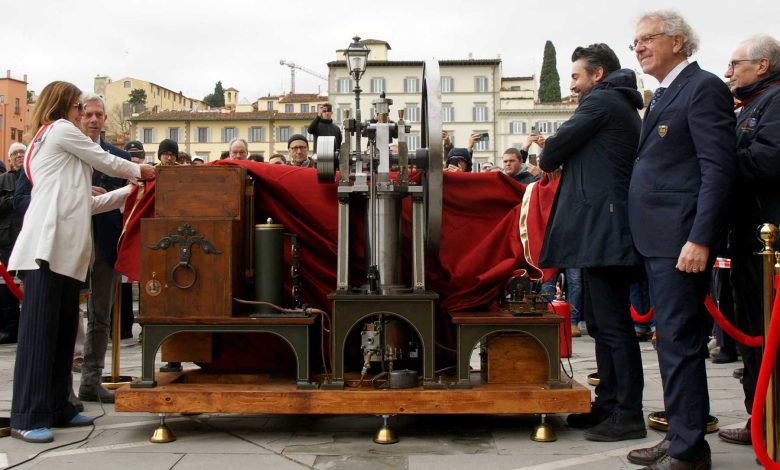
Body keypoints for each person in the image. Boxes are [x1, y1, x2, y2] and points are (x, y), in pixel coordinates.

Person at [7, 81, 155, 443]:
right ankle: (28, 414)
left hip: (65, 255)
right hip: (47, 249)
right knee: (41, 335)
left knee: (60, 335)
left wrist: (129, 192)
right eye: (78, 107)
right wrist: (141, 172)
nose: (81, 113)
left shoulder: (59, 146)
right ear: (64, 106)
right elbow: (104, 158)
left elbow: (86, 204)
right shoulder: (59, 130)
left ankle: (58, 406)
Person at [626, 11, 736, 469]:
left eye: (647, 39)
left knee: (681, 343)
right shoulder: (665, 93)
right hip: (657, 240)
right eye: (635, 42)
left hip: (681, 241)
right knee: (670, 342)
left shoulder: (703, 86)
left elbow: (718, 169)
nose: (638, 48)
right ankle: (679, 435)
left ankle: (690, 450)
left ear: (677, 41)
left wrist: (700, 238)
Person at [538, 43, 646, 442]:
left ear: (597, 75)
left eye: (576, 77)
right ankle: (608, 403)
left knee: (613, 326)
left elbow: (551, 152)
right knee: (602, 323)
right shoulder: (615, 102)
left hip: (605, 229)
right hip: (605, 227)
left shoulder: (601, 102)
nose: (571, 85)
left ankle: (628, 412)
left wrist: (558, 153)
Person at [719, 34, 780, 447]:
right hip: (745, 239)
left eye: (736, 63)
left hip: (766, 242)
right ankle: (758, 418)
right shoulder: (750, 104)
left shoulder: (774, 101)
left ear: (760, 65)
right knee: (750, 334)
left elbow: (768, 158)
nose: (729, 72)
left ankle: (770, 424)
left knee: (766, 333)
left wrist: (716, 155)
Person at [78, 94, 133, 404]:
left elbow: (130, 197)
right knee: (64, 313)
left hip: (105, 242)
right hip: (68, 240)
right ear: (79, 117)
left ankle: (90, 381)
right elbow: (24, 199)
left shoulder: (117, 156)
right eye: (89, 114)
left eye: (99, 114)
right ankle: (59, 384)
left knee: (100, 315)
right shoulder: (63, 152)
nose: (94, 119)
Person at [0, 143, 26, 344]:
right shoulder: (3, 180)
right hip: (7, 240)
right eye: (15, 153)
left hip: (27, 238)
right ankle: (11, 328)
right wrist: (14, 200)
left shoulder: (33, 177)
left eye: (21, 152)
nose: (18, 155)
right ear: (9, 159)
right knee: (6, 288)